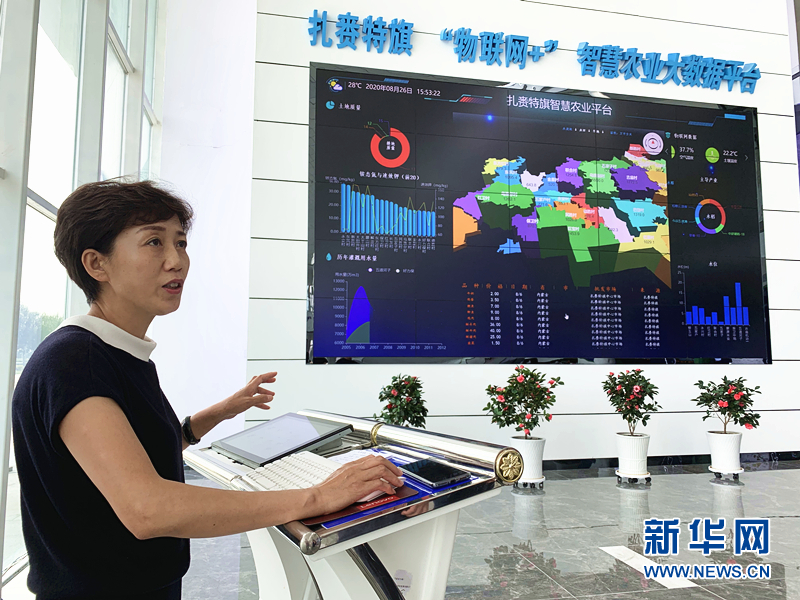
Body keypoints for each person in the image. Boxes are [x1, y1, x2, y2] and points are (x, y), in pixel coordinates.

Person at [11, 180, 403, 599]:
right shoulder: (76, 362)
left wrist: (220, 412)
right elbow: (147, 509)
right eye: (154, 242)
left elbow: (140, 452)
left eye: (180, 243)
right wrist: (318, 496)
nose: (176, 260)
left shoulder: (116, 354)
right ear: (96, 264)